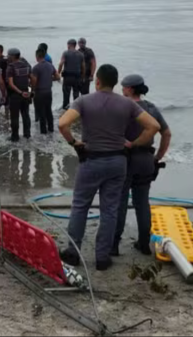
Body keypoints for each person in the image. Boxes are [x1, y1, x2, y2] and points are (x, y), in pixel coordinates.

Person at [58, 65, 160, 270]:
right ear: (115, 83)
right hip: (117, 162)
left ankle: (73, 253)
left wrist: (74, 143)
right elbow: (154, 127)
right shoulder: (127, 104)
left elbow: (62, 124)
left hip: (91, 160)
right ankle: (102, 257)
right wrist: (135, 143)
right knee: (110, 210)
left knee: (80, 206)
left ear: (97, 81)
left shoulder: (84, 101)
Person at [113, 74, 172, 256]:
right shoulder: (152, 108)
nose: (121, 90)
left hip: (125, 160)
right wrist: (157, 157)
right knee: (142, 203)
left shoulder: (122, 107)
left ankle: (114, 245)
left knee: (119, 203)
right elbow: (167, 134)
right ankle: (144, 244)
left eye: (123, 87)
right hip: (146, 160)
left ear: (130, 89)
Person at [6, 48, 33, 141]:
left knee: (14, 116)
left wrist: (20, 92)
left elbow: (11, 83)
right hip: (26, 93)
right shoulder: (26, 65)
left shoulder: (11, 67)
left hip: (16, 95)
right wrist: (30, 91)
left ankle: (15, 137)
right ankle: (27, 135)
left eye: (8, 55)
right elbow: (32, 78)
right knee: (26, 115)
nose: (8, 57)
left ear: (13, 56)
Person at [31, 48, 60, 134]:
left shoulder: (36, 67)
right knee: (48, 111)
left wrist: (32, 90)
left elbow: (34, 82)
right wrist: (50, 79)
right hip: (48, 92)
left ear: (37, 56)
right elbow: (58, 77)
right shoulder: (50, 65)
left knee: (41, 113)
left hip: (39, 93)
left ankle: (43, 133)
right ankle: (51, 129)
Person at [58, 39, 85, 109]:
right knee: (76, 95)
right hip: (77, 78)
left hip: (67, 78)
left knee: (66, 96)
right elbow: (83, 67)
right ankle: (75, 110)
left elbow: (61, 64)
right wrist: (82, 77)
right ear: (75, 45)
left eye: (67, 45)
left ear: (69, 45)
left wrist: (58, 73)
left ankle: (65, 110)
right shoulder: (81, 54)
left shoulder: (65, 53)